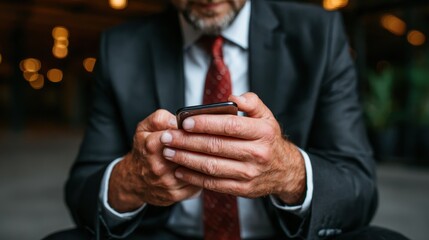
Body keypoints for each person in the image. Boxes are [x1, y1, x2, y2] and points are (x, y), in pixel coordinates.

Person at [45, 0, 409, 239]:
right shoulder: (121, 46)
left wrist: (289, 171)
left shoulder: (320, 33)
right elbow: (81, 190)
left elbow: (358, 188)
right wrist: (131, 180)